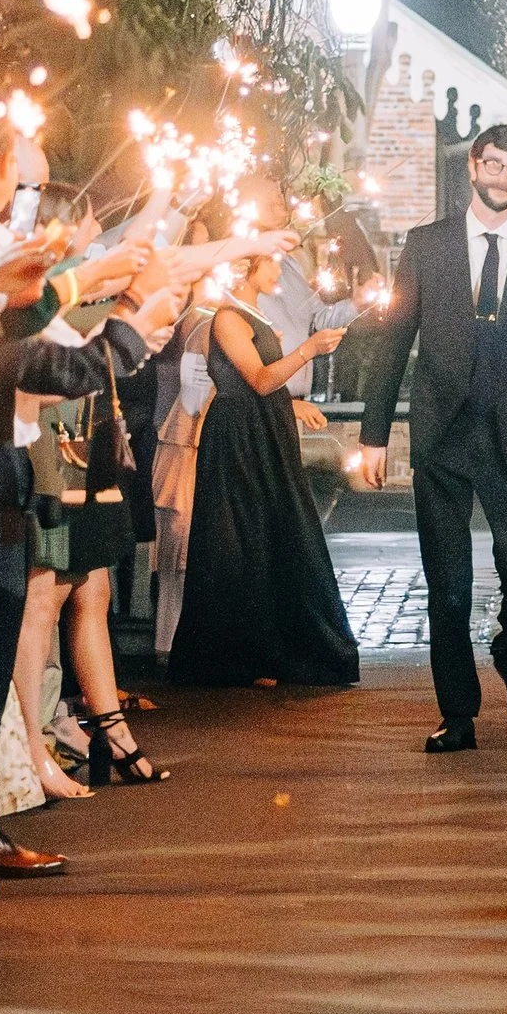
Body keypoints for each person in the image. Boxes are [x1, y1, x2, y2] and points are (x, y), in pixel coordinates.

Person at [355, 122, 507, 754]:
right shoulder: (427, 244)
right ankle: (457, 713)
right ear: (474, 166)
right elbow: (394, 340)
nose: (504, 178)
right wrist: (374, 435)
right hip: (442, 433)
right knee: (448, 583)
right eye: (495, 164)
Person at [168, 242, 357, 696]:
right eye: (271, 262)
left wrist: (293, 405)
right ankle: (240, 653)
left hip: (262, 431)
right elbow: (257, 379)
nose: (279, 270)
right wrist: (309, 350)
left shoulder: (256, 316)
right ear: (246, 269)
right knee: (243, 535)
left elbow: (262, 384)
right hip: (239, 439)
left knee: (272, 531)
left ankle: (276, 645)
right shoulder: (228, 318)